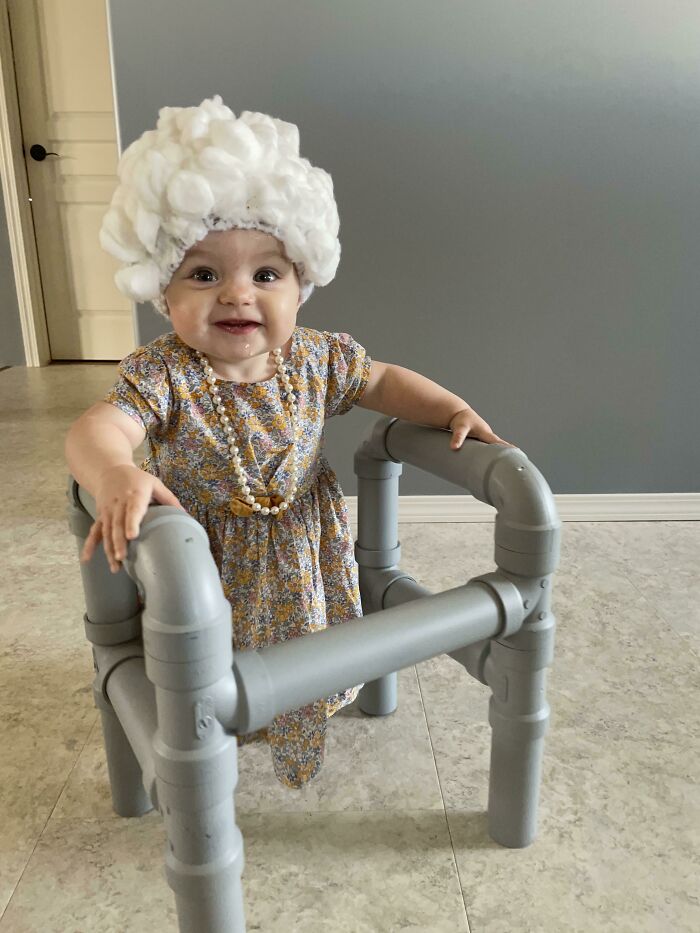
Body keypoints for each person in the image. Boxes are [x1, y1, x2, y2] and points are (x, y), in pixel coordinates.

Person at [65, 95, 514, 789]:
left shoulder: (314, 357)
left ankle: (300, 703)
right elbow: (99, 426)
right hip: (203, 554)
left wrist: (450, 406)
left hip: (304, 541)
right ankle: (223, 721)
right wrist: (116, 471)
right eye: (204, 274)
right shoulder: (164, 373)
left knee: (310, 644)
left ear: (302, 286)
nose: (237, 294)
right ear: (163, 291)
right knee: (206, 669)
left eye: (266, 274)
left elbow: (383, 380)